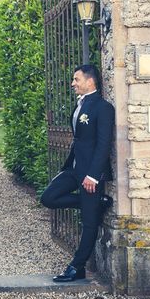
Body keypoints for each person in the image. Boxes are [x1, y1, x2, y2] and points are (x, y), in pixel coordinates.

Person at [40, 64, 114, 282]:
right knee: (49, 197)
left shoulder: (103, 107)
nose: (73, 83)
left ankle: (77, 267)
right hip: (73, 169)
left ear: (90, 81)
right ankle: (96, 201)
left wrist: (93, 175)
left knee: (90, 222)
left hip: (90, 173)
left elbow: (103, 144)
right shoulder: (80, 104)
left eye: (76, 79)